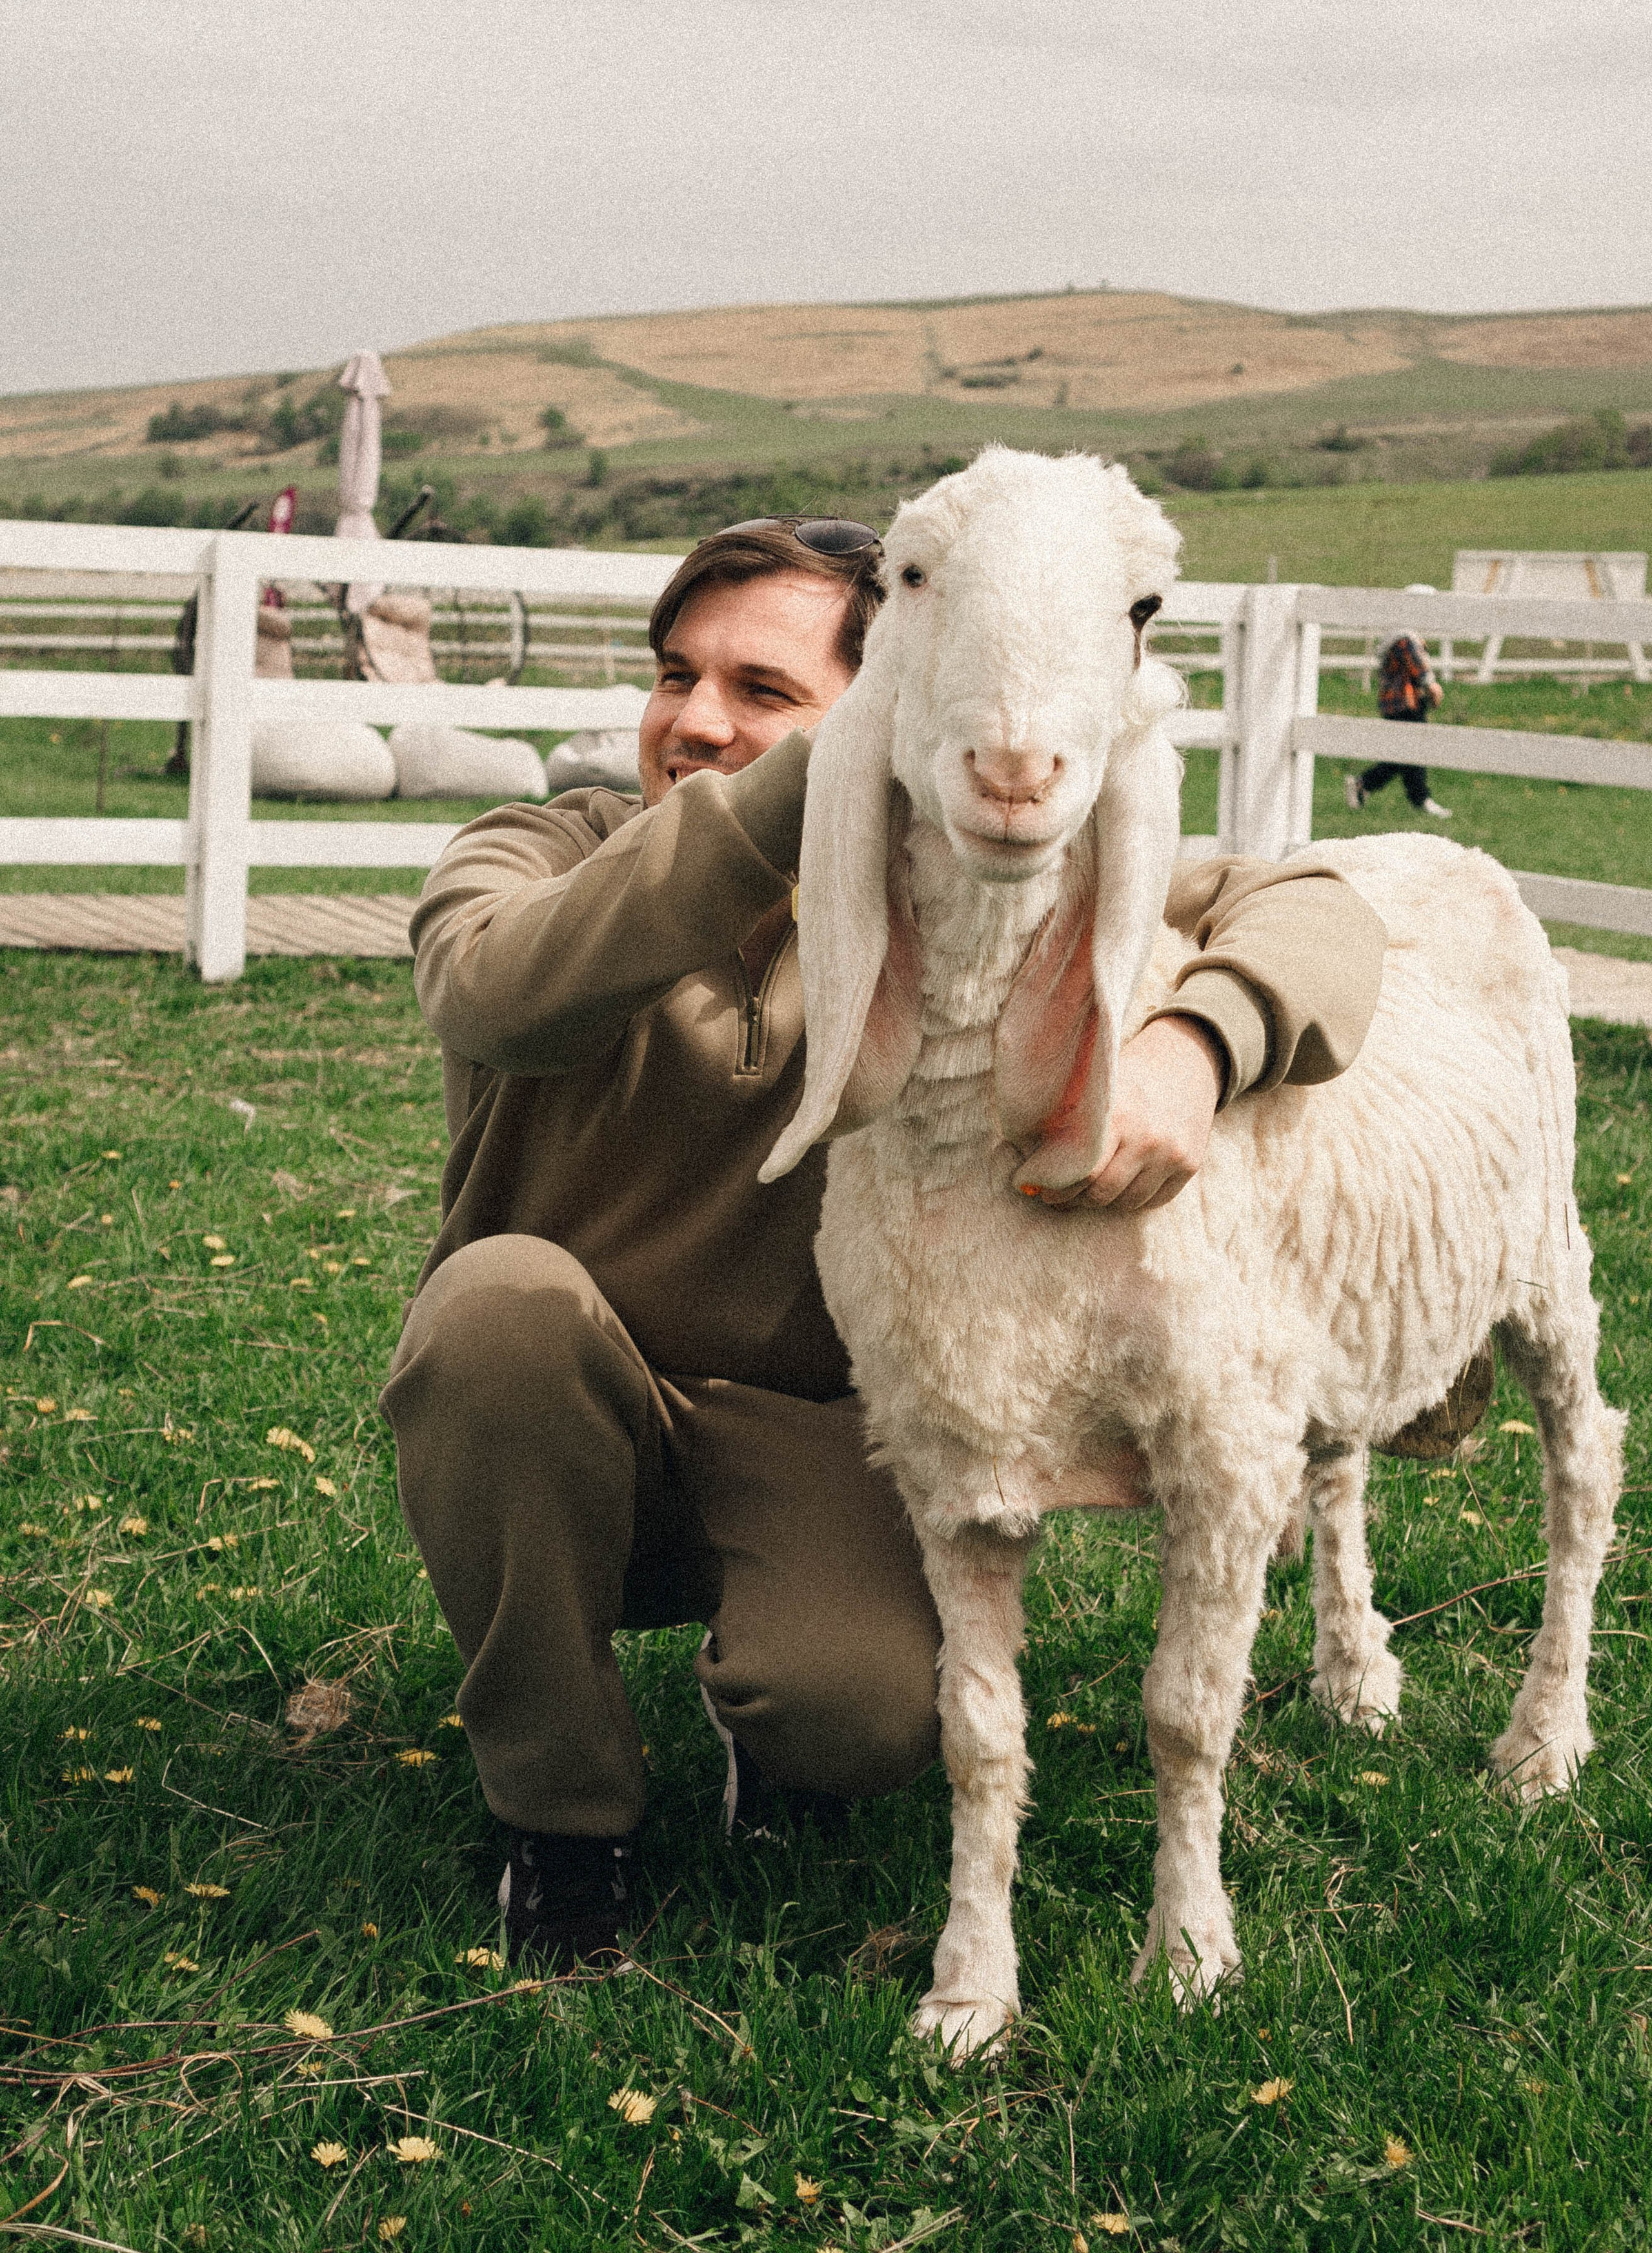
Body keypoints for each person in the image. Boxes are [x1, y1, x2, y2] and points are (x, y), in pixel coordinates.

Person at [381, 515, 1388, 1970]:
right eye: (675, 675)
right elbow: (491, 991)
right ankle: (564, 1823)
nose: (695, 721)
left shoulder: (953, 900)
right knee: (495, 1307)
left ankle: (776, 1720)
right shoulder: (545, 848)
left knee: (859, 1720)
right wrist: (809, 781)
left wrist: (1196, 1045)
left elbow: (1318, 916)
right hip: (554, 1415)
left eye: (762, 691)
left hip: (819, 1435)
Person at [1345, 630, 1452, 818]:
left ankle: (1366, 785)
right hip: (1406, 703)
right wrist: (1432, 686)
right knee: (1411, 753)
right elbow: (1416, 664)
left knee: (1404, 754)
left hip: (1394, 704)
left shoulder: (1396, 639)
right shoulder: (1404, 640)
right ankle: (1420, 799)